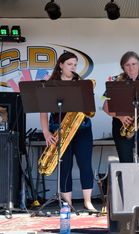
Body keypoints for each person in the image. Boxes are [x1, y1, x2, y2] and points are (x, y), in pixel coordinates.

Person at [40, 51, 96, 212]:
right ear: (61, 65)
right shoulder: (51, 84)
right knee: (65, 166)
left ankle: (88, 202)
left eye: (75, 64)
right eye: (70, 64)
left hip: (83, 129)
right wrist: (46, 132)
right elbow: (43, 111)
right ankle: (67, 203)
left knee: (85, 164)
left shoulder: (81, 83)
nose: (73, 67)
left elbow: (90, 108)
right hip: (59, 130)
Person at [103, 51, 139, 163]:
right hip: (122, 128)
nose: (131, 68)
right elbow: (105, 107)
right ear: (123, 67)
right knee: (126, 164)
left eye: (134, 64)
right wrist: (121, 117)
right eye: (127, 65)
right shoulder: (115, 82)